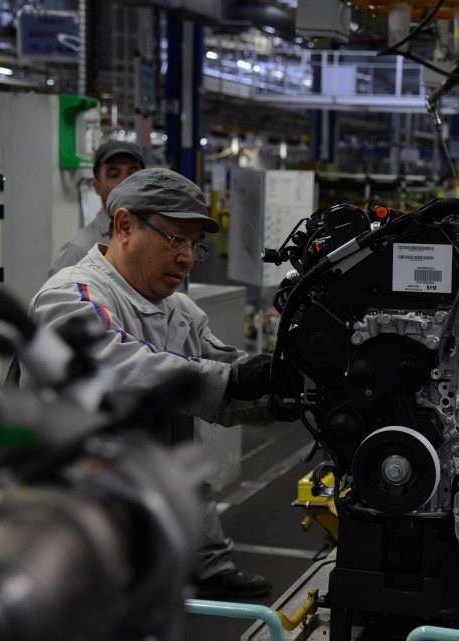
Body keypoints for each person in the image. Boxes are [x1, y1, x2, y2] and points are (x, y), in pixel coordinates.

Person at [27, 168, 274, 599]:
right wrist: (235, 379)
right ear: (124, 225)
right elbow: (117, 368)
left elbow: (221, 380)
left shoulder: (179, 310)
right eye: (175, 239)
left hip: (144, 525)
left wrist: (284, 392)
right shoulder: (70, 295)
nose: (187, 258)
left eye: (195, 245)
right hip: (69, 526)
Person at [50, 141, 145, 275]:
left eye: (133, 173)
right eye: (114, 174)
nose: (125, 181)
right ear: (97, 187)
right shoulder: (79, 251)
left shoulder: (157, 240)